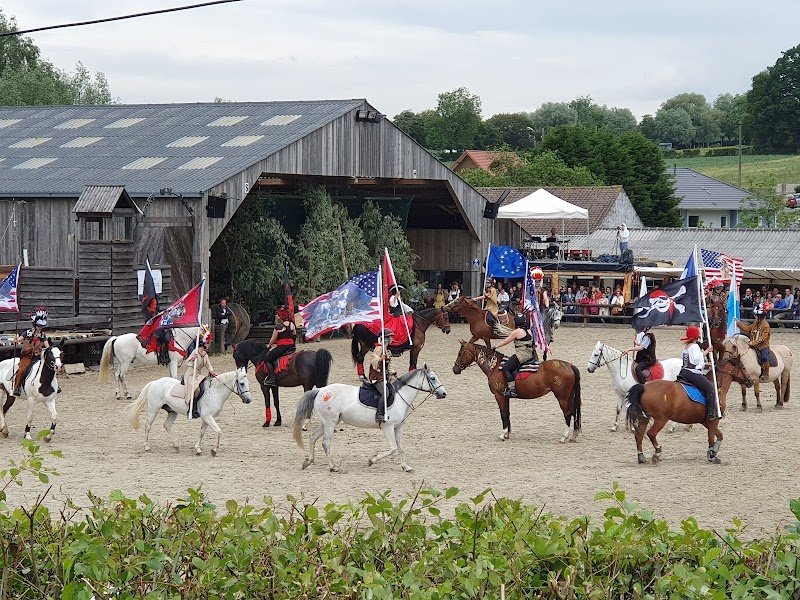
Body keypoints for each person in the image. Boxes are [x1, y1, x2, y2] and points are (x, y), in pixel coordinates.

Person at [678, 325, 717, 421]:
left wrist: (706, 363)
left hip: (683, 371)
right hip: (692, 373)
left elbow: (691, 361)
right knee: (711, 388)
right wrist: (707, 351)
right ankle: (711, 413)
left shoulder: (686, 347)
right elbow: (695, 360)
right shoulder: (695, 346)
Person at [494, 313, 536, 399]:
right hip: (530, 354)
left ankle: (512, 390)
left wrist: (495, 347)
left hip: (522, 356)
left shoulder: (517, 332)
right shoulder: (528, 330)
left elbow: (506, 341)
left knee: (505, 368)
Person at [13, 309, 50, 397]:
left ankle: (50, 385)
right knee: (21, 370)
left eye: (41, 326)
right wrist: (16, 340)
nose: (40, 327)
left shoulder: (42, 335)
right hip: (27, 356)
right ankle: (17, 387)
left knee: (49, 368)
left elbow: (47, 345)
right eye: (39, 326)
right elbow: (19, 339)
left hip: (38, 356)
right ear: (35, 325)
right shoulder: (27, 333)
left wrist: (49, 350)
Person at [366, 329, 396, 423]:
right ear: (386, 338)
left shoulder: (386, 350)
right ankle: (379, 414)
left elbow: (388, 365)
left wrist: (392, 372)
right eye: (391, 336)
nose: (392, 338)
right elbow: (373, 361)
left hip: (384, 376)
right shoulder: (379, 348)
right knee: (385, 393)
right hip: (377, 376)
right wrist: (380, 359)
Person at [737, 303, 772, 381]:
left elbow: (763, 338)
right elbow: (747, 328)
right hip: (754, 345)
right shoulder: (755, 323)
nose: (756, 317)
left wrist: (753, 342)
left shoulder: (766, 325)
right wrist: (739, 324)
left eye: (757, 316)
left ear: (760, 317)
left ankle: (766, 373)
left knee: (764, 357)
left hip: (763, 346)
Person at [263, 306, 297, 385]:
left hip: (283, 347)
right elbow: (294, 334)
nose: (276, 316)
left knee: (267, 359)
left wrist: (269, 346)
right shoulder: (292, 324)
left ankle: (272, 378)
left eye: (278, 315)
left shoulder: (278, 326)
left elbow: (273, 339)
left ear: (281, 316)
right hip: (291, 346)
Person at [183, 332, 217, 410]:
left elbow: (208, 365)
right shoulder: (195, 352)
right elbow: (187, 362)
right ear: (204, 343)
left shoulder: (205, 354)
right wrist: (192, 358)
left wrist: (211, 370)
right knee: (197, 390)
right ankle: (193, 408)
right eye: (208, 343)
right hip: (191, 374)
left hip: (198, 374)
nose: (209, 345)